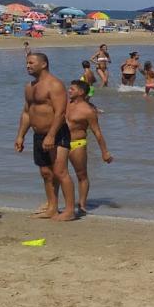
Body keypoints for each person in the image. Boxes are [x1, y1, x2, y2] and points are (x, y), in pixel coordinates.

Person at [15, 53, 77, 220]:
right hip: (38, 134)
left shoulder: (54, 85)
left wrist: (51, 135)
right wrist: (21, 135)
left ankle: (70, 210)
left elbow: (60, 113)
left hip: (57, 133)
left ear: (43, 64)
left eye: (31, 63)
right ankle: (52, 207)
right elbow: (27, 112)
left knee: (60, 171)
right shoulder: (29, 86)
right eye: (27, 63)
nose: (27, 65)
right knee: (45, 172)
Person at [65, 79, 112, 216]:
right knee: (58, 174)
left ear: (80, 92)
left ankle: (82, 205)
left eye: (72, 89)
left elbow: (97, 132)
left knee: (82, 175)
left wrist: (105, 152)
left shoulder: (88, 111)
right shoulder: (65, 104)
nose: (69, 90)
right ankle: (56, 203)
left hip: (77, 144)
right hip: (61, 143)